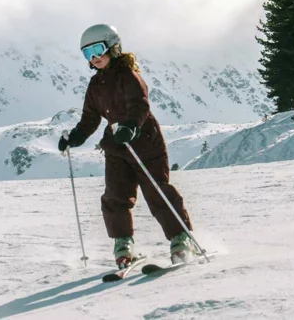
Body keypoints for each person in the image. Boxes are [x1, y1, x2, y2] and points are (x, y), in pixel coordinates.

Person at [57, 24, 198, 267]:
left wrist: (131, 126)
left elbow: (140, 104)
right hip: (116, 145)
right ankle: (123, 244)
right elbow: (90, 119)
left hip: (144, 141)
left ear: (113, 47)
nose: (94, 58)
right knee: (115, 195)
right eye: (87, 54)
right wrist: (75, 137)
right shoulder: (95, 85)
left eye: (98, 50)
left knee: (157, 191)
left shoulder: (129, 76)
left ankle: (180, 238)